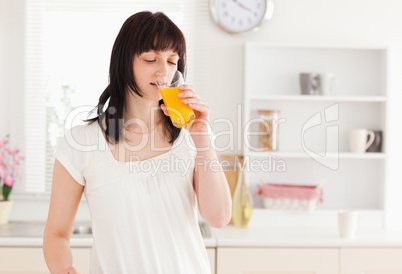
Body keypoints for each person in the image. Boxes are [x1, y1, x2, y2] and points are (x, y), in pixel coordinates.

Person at [43, 11, 232, 274]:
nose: (164, 71)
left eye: (172, 61)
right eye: (151, 59)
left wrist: (203, 138)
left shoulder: (191, 138)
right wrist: (63, 268)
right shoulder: (81, 142)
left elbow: (219, 218)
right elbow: (56, 233)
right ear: (124, 62)